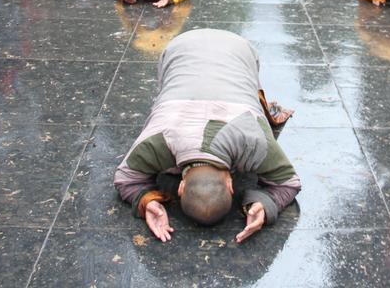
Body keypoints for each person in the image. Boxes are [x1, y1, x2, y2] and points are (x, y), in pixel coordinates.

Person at [114, 29, 299, 243]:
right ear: (231, 184)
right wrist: (145, 200)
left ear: (181, 187)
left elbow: (289, 183)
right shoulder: (158, 142)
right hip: (197, 48)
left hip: (221, 49)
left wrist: (146, 200)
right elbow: (125, 179)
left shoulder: (254, 140)